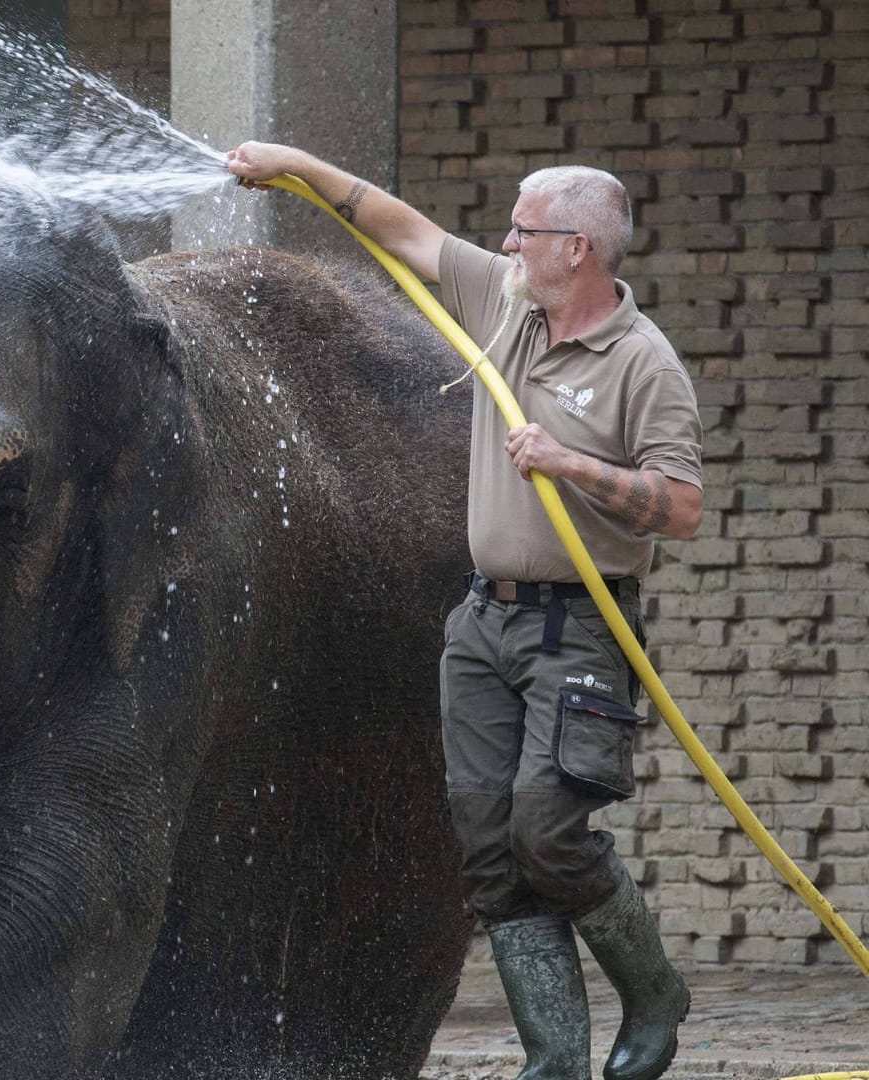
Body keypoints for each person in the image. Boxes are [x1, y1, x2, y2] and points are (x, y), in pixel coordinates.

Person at [224, 143, 702, 1080]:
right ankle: (554, 1059)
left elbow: (680, 509)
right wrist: (297, 168)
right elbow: (401, 228)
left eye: (523, 229)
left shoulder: (644, 364)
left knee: (547, 834)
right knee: (486, 851)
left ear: (579, 249)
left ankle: (654, 993)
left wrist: (571, 464)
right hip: (482, 624)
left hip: (581, 626)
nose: (506, 240)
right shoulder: (503, 303)